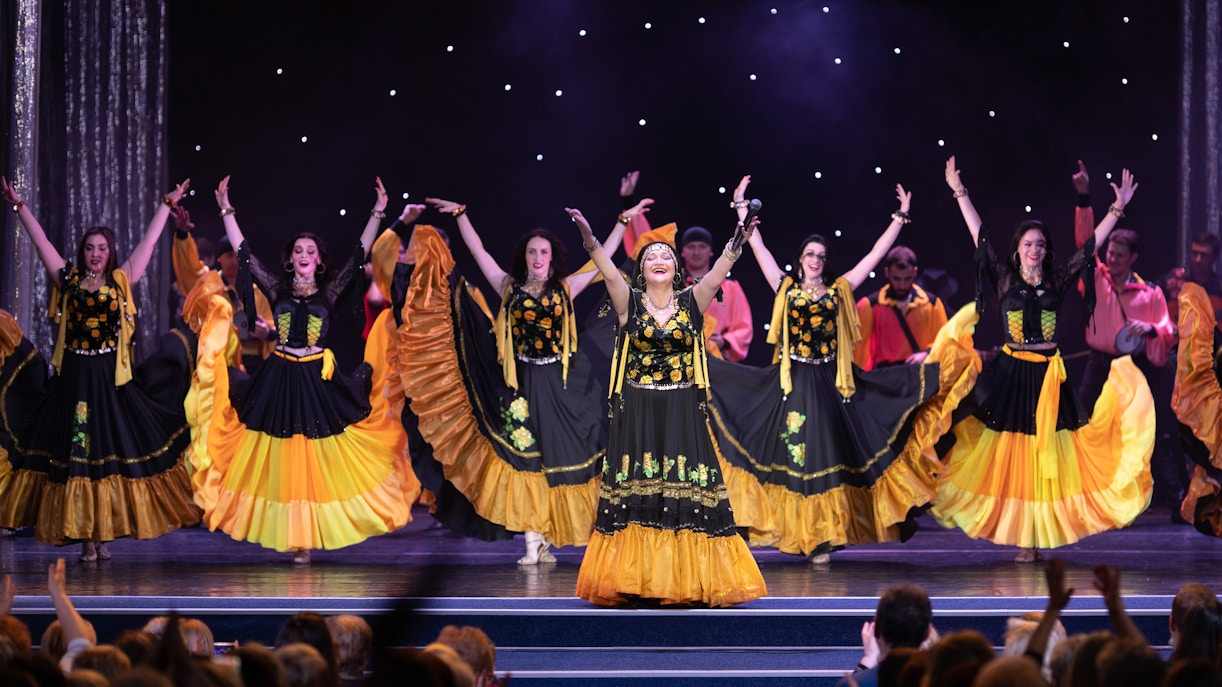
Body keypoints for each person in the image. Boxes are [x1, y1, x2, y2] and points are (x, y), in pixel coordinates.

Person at [707, 180, 976, 563]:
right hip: (792, 384)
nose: (815, 260)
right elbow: (758, 247)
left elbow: (873, 256)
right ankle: (798, 532)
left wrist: (899, 218)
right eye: (809, 254)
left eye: (821, 255)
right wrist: (740, 207)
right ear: (800, 259)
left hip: (831, 384)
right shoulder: (786, 288)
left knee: (825, 458)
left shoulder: (839, 290)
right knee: (794, 457)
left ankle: (823, 537)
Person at [185, 175, 419, 563]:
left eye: (310, 250)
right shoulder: (277, 289)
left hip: (316, 379)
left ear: (319, 261)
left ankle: (307, 534)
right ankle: (295, 536)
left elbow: (359, 254)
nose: (304, 254)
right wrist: (226, 209)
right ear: (291, 260)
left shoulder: (330, 292)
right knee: (282, 455)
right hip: (279, 377)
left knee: (313, 455)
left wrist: (378, 212)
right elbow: (244, 254)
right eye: (298, 250)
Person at [932, 156, 1153, 563]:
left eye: (1040, 244)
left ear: (1046, 250)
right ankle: (1024, 537)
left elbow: (1090, 247)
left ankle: (1036, 536)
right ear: (1017, 250)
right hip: (1013, 375)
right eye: (1028, 244)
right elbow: (979, 236)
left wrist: (1117, 207)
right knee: (1013, 455)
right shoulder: (1004, 278)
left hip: (1050, 377)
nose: (1034, 250)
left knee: (1047, 452)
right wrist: (959, 191)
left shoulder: (1057, 279)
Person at [407, 196, 642, 564]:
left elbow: (603, 257)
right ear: (524, 256)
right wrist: (461, 215)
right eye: (532, 252)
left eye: (543, 252)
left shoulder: (565, 288)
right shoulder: (509, 287)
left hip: (560, 386)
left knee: (557, 460)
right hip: (519, 385)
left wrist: (622, 222)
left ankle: (548, 536)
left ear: (553, 257)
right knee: (527, 460)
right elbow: (479, 252)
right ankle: (533, 542)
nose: (537, 257)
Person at [569, 205, 766, 606]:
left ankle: (685, 581)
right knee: (640, 492)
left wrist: (736, 244)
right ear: (641, 270)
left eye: (666, 256)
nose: (658, 259)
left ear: (676, 270)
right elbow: (607, 270)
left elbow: (718, 273)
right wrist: (589, 237)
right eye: (650, 256)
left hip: (681, 410)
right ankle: (634, 578)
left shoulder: (692, 301)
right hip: (638, 411)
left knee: (683, 492)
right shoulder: (628, 303)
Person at [0, 177, 201, 560]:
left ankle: (102, 533)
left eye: (102, 248)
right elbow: (42, 244)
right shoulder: (69, 279)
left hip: (109, 382)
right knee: (80, 447)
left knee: (107, 448)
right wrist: (19, 205)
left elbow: (148, 244)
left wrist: (166, 204)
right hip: (76, 383)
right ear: (83, 252)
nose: (95, 254)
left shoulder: (120, 281)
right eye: (90, 248)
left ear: (110, 253)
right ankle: (86, 538)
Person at [171, 205, 277, 373]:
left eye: (237, 256)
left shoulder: (258, 291)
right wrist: (182, 234)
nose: (234, 261)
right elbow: (189, 270)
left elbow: (276, 329)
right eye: (229, 256)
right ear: (219, 258)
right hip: (221, 362)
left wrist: (268, 333)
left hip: (256, 363)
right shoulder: (210, 286)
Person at [853, 245, 948, 370]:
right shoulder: (870, 305)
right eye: (896, 279)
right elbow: (858, 350)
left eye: (907, 279)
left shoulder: (932, 304)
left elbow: (945, 342)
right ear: (887, 273)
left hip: (919, 373)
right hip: (885, 375)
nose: (902, 285)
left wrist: (926, 354)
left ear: (915, 272)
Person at [679, 224, 754, 362]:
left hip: (719, 360)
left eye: (702, 246)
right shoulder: (676, 286)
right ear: (682, 251)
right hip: (682, 358)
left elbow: (744, 327)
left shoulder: (731, 288)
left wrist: (724, 341)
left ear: (710, 251)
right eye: (691, 247)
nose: (696, 252)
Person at [837, 583, 935, 687]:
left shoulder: (853, 684)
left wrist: (867, 662)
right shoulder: (939, 681)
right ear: (928, 633)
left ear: (876, 631)